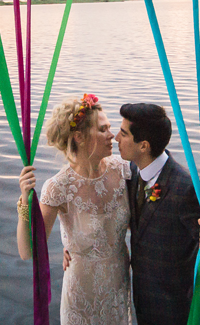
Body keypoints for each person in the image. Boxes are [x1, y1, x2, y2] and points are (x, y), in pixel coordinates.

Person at [17, 94, 132, 325]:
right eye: (103, 130)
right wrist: (24, 202)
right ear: (79, 136)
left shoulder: (125, 172)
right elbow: (28, 251)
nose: (112, 135)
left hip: (118, 291)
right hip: (81, 297)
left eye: (110, 128)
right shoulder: (58, 188)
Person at [115, 102, 200, 325]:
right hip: (142, 302)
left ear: (143, 146)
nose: (115, 139)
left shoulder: (185, 188)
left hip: (175, 309)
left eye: (123, 133)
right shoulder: (133, 172)